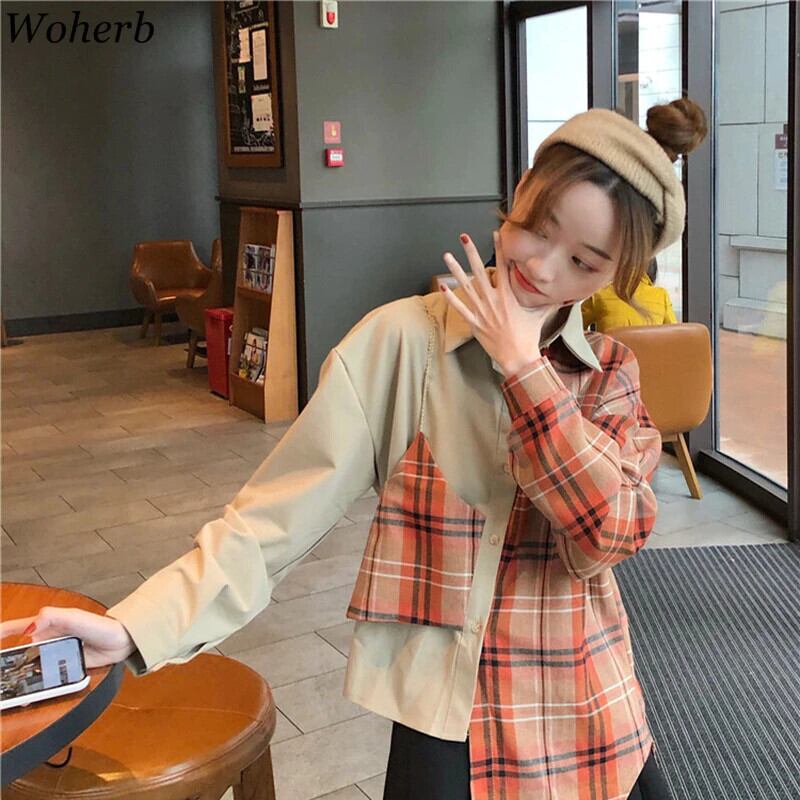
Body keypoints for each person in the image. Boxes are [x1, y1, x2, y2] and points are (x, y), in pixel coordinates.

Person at [4, 97, 708, 799]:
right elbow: (269, 524)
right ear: (519, 192)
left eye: (583, 261)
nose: (544, 269)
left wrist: (526, 372)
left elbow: (610, 533)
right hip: (448, 717)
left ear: (615, 274)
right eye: (537, 229)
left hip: (586, 698)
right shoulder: (400, 343)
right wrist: (133, 628)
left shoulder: (609, 374)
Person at [581, 256, 678, 331]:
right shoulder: (661, 295)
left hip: (610, 352)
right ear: (652, 270)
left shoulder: (600, 294)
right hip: (652, 352)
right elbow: (674, 335)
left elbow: (574, 328)